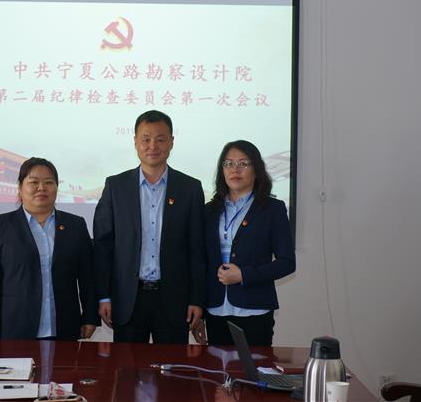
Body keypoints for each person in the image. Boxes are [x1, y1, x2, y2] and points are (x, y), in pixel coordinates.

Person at [93, 110, 206, 344]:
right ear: (135, 142)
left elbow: (197, 249)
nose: (153, 146)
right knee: (126, 366)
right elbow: (103, 247)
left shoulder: (190, 188)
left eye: (160, 139)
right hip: (128, 299)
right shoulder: (116, 186)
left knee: (172, 366)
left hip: (174, 299)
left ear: (171, 142)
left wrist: (197, 299)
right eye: (146, 139)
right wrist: (104, 296)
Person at [0, 157, 98, 341]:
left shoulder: (75, 225)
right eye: (33, 182)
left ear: (56, 187)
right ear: (20, 187)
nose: (42, 188)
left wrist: (90, 316)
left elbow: (88, 276)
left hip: (64, 326)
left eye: (49, 182)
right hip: (14, 326)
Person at [204, 140, 296, 346]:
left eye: (243, 163)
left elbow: (287, 262)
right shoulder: (209, 210)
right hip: (215, 309)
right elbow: (200, 261)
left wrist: (244, 275)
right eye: (228, 163)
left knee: (254, 366)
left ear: (257, 170)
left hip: (254, 308)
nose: (235, 169)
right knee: (217, 366)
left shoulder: (272, 209)